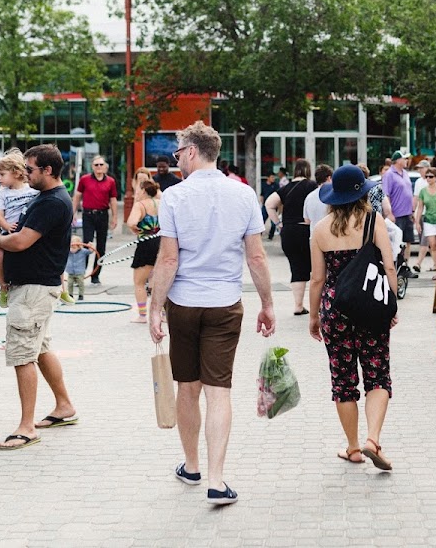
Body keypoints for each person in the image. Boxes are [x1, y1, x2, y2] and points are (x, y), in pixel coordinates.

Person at [148, 120, 276, 506]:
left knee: (188, 388)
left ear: (190, 151)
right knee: (219, 391)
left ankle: (192, 465)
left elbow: (168, 259)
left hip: (184, 304)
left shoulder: (173, 197)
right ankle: (217, 481)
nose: (177, 160)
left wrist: (156, 308)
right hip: (224, 303)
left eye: (177, 153)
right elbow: (255, 256)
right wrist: (268, 304)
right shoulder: (244, 194)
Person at [308, 164, 397, 471]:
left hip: (336, 310)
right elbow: (389, 268)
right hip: (371, 307)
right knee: (377, 375)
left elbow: (317, 279)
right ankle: (373, 439)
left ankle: (354, 448)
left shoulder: (320, 230)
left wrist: (314, 317)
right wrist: (392, 305)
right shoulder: (375, 222)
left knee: (343, 381)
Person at [0, 144, 79, 450]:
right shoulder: (45, 197)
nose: (25, 174)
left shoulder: (52, 202)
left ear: (48, 171)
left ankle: (27, 427)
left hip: (33, 289)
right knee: (40, 349)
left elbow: (22, 241)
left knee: (22, 355)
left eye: (30, 169)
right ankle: (64, 406)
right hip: (36, 287)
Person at [265, 159, 316, 315]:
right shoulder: (312, 186)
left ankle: (298, 306)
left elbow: (269, 204)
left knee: (297, 268)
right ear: (308, 170)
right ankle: (317, 306)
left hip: (288, 231)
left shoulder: (286, 188)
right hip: (305, 230)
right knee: (316, 268)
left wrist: (278, 223)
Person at [0, 152, 41, 307]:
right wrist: (6, 226)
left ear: (17, 173)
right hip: (10, 232)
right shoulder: (1, 194)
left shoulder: (31, 190)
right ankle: (3, 287)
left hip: (28, 230)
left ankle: (61, 288)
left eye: (2, 174)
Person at [72, 155, 118, 285]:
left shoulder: (110, 181)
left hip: (103, 215)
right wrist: (73, 213)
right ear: (92, 167)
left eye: (101, 165)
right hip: (88, 215)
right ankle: (80, 274)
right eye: (96, 165)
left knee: (101, 247)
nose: (98, 167)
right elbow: (77, 196)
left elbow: (113, 200)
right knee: (86, 244)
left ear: (105, 167)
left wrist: (114, 217)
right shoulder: (85, 179)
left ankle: (95, 275)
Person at [127, 179, 162, 323]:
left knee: (139, 282)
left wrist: (135, 229)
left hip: (146, 243)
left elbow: (131, 222)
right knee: (160, 280)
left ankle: (142, 315)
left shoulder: (140, 205)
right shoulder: (161, 203)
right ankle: (163, 314)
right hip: (162, 242)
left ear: (143, 190)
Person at [413, 166, 436, 277]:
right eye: (427, 177)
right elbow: (420, 208)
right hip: (428, 220)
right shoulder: (423, 191)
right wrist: (417, 222)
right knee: (433, 246)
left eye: (431, 177)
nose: (428, 179)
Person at [382, 151, 414, 264]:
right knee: (397, 241)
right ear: (398, 160)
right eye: (404, 159)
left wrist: (412, 210)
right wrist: (389, 213)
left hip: (407, 213)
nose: (407, 161)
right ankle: (397, 265)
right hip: (397, 214)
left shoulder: (405, 173)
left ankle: (406, 265)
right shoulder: (389, 174)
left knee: (408, 240)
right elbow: (386, 194)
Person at [411, 159, 434, 273]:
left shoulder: (435, 181)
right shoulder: (419, 182)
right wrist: (413, 211)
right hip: (421, 214)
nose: (419, 170)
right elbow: (416, 198)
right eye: (419, 168)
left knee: (425, 240)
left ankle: (418, 264)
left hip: (431, 216)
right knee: (426, 240)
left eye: (421, 168)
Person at [302, 164, 333, 234]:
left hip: (314, 236)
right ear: (329, 178)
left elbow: (307, 220)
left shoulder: (309, 197)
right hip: (330, 235)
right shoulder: (332, 195)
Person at [65, 235, 94, 301]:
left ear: (79, 245)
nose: (73, 249)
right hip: (70, 271)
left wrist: (91, 246)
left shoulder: (83, 251)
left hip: (79, 272)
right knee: (69, 284)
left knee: (81, 284)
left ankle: (81, 295)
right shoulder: (68, 251)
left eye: (74, 247)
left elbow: (91, 251)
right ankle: (70, 295)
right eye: (72, 246)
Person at [260, 173, 279, 240]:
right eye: (272, 177)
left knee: (273, 222)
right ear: (268, 178)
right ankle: (259, 235)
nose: (273, 179)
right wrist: (262, 203)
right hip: (265, 206)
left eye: (274, 177)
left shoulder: (276, 185)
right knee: (262, 221)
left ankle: (271, 236)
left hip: (273, 206)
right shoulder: (264, 185)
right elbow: (262, 195)